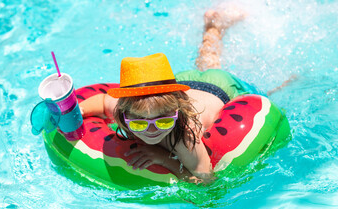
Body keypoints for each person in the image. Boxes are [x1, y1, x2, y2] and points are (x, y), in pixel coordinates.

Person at [79, 6, 247, 183]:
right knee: (205, 60)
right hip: (175, 85)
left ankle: (215, 26)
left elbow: (206, 181)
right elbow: (103, 100)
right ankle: (213, 25)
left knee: (212, 65)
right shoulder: (128, 107)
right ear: (124, 115)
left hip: (216, 86)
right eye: (138, 124)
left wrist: (165, 159)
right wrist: (76, 111)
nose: (152, 130)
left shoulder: (185, 137)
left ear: (177, 112)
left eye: (163, 121)